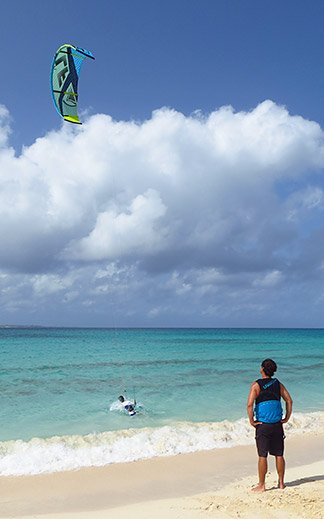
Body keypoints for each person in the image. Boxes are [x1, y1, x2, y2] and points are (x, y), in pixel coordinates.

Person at [247, 358, 293, 492]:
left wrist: (252, 421)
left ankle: (262, 485)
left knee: (263, 455)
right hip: (277, 424)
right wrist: (286, 417)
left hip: (263, 425)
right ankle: (281, 483)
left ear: (262, 369)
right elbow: (289, 401)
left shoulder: (256, 385)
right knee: (279, 454)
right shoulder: (277, 383)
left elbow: (250, 405)